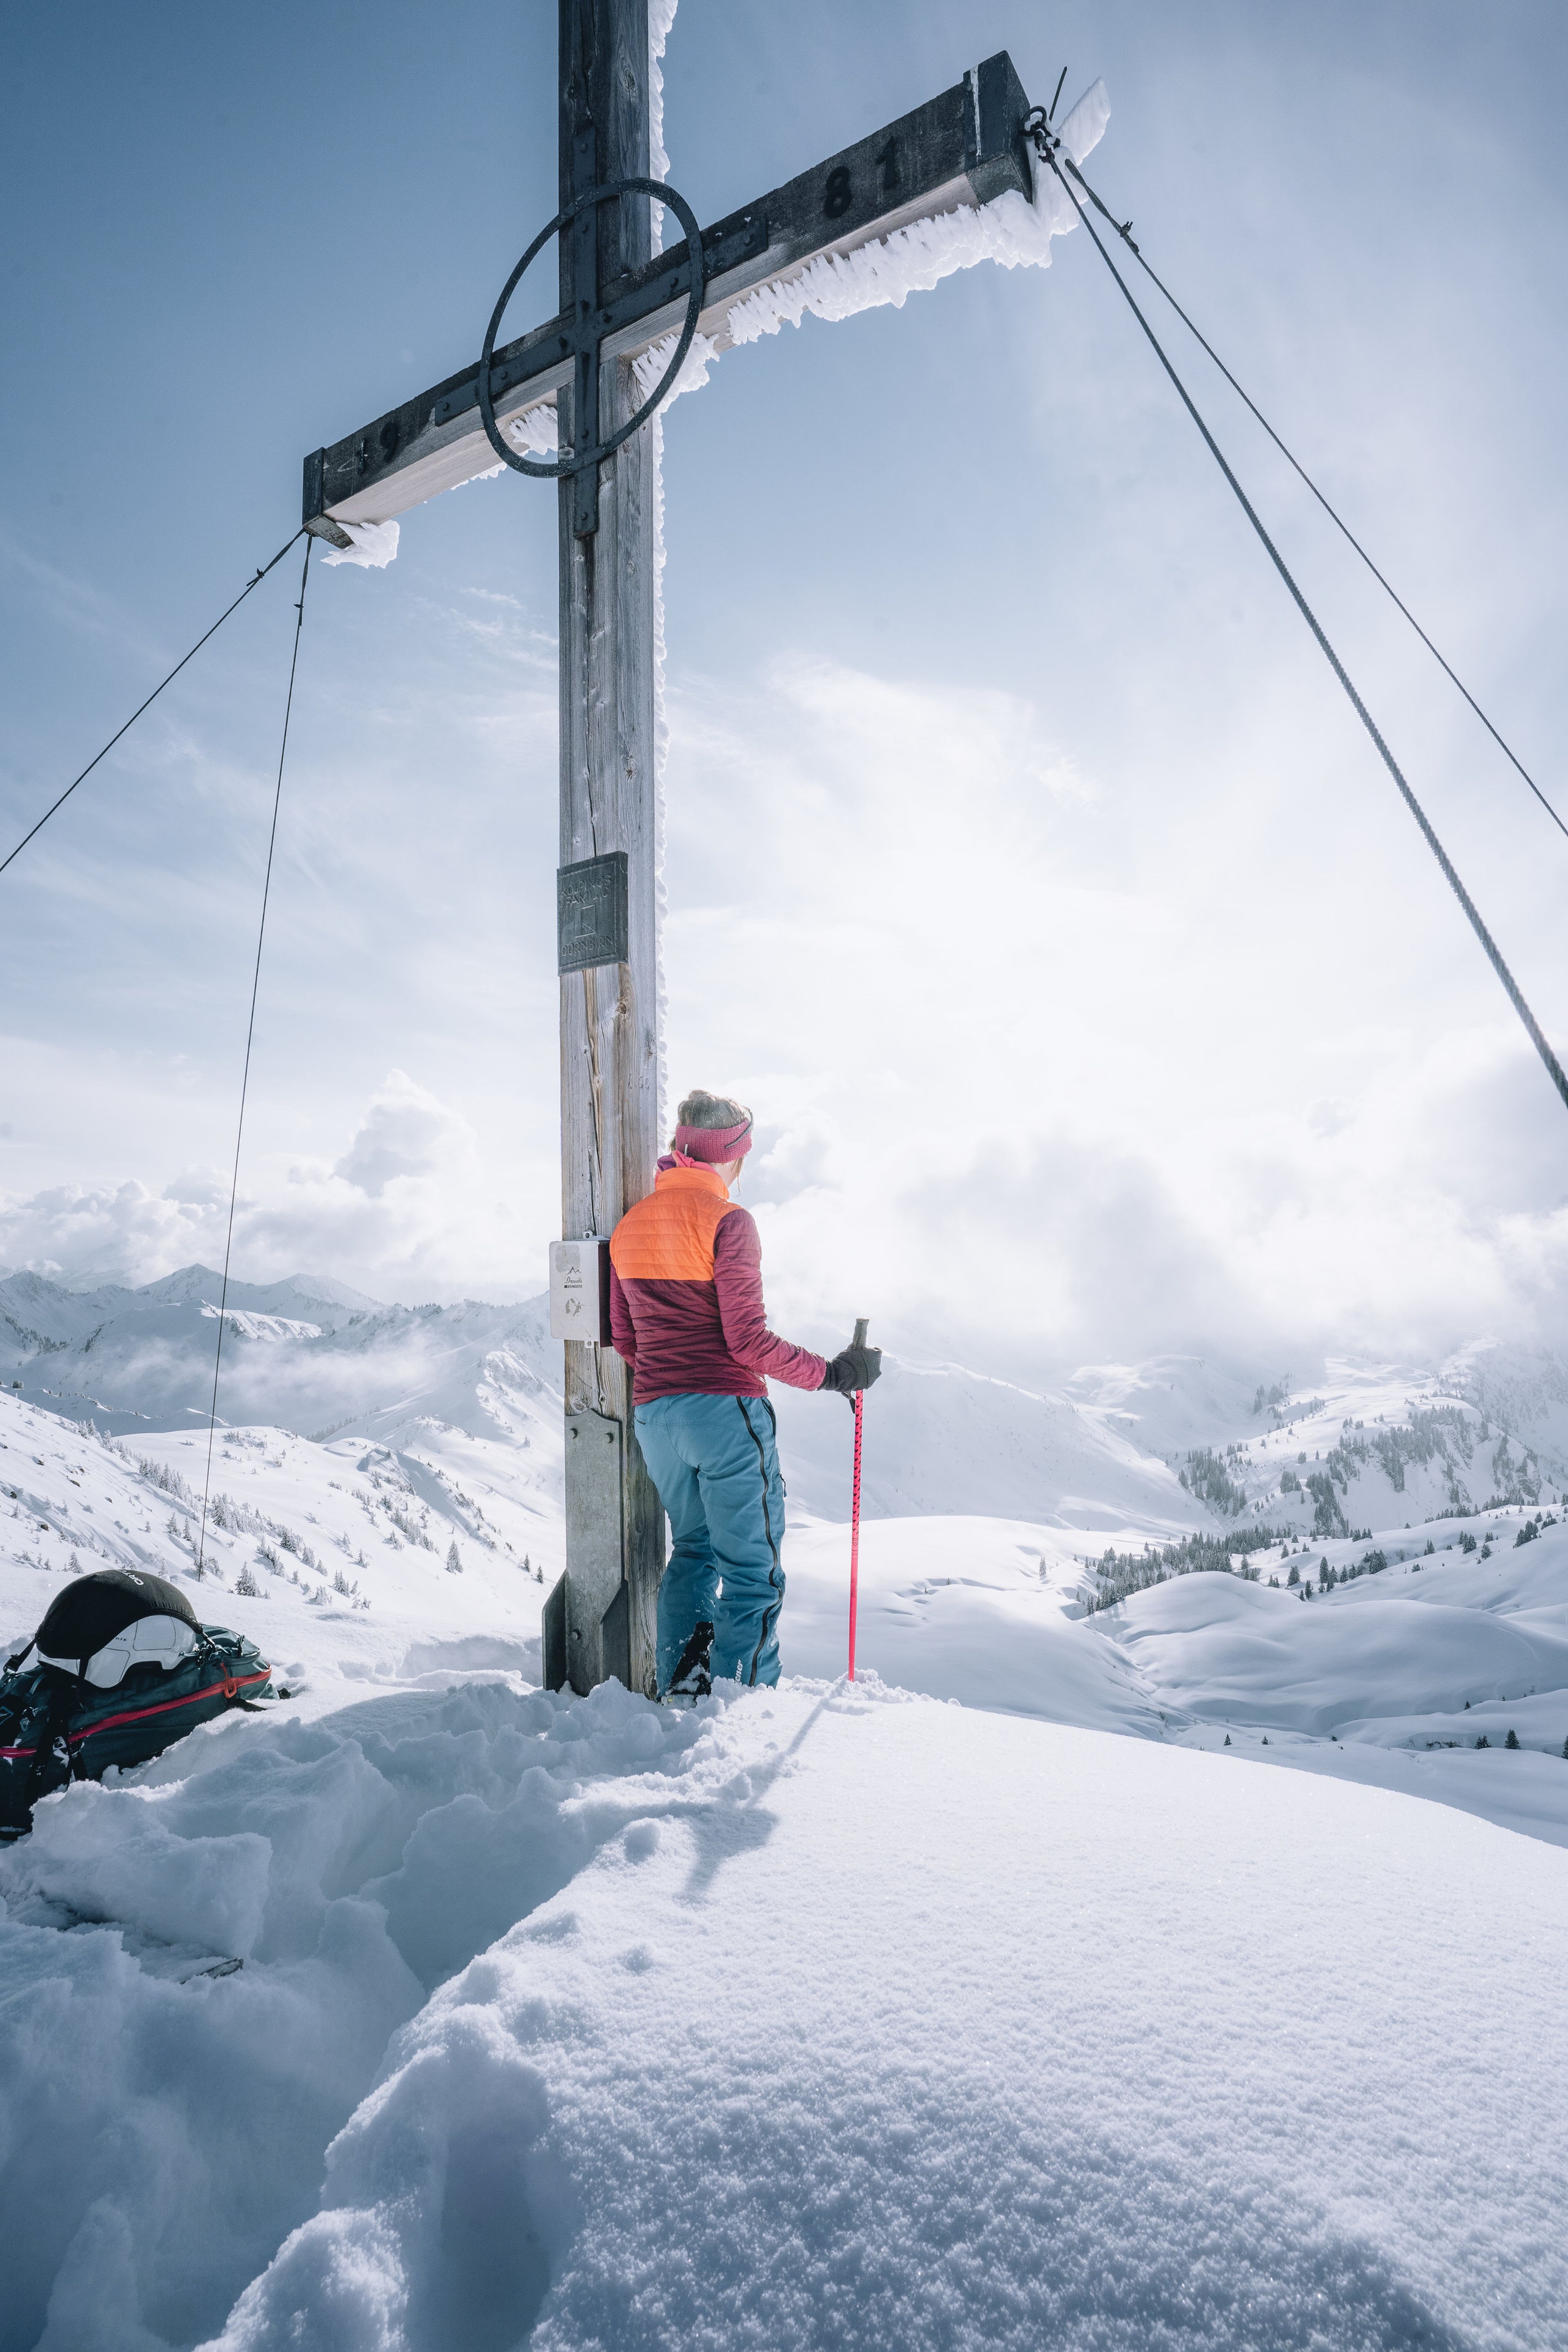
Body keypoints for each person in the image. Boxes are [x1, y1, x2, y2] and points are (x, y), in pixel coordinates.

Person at [608, 1089, 881, 1701]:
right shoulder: (730, 1223)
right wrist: (837, 1374)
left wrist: (671, 1377)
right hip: (724, 1413)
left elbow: (625, 1338)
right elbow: (747, 1341)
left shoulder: (630, 1227)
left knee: (695, 1551)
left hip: (656, 1415)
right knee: (753, 1573)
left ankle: (684, 1689)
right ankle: (744, 1707)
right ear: (729, 1156)